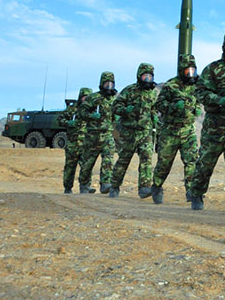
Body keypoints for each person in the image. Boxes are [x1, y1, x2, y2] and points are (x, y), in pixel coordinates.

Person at [188, 34, 225, 211]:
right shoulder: (212, 69)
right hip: (214, 127)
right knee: (205, 164)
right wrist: (218, 99)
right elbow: (200, 92)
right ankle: (197, 194)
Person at [152, 54, 201, 205]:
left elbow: (200, 100)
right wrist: (174, 107)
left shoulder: (197, 85)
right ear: (182, 70)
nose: (191, 74)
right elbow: (159, 104)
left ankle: (192, 193)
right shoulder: (170, 85)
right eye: (188, 71)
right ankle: (157, 187)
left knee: (192, 161)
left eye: (193, 70)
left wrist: (196, 108)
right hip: (170, 131)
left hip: (188, 130)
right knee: (164, 163)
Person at [110, 63, 158, 198]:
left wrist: (154, 116)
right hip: (129, 132)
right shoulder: (129, 90)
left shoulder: (153, 93)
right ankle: (114, 186)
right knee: (124, 160)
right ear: (139, 76)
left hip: (145, 132)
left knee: (147, 158)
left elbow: (154, 108)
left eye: (150, 76)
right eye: (145, 76)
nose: (147, 79)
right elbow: (116, 106)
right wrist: (125, 110)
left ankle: (144, 187)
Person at [78, 71, 118, 193]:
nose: (109, 87)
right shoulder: (93, 98)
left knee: (108, 159)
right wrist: (91, 116)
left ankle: (105, 183)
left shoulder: (113, 99)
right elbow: (81, 112)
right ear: (101, 84)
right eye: (106, 84)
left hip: (107, 134)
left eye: (111, 84)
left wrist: (116, 117)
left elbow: (116, 112)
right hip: (93, 135)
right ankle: (84, 185)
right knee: (88, 161)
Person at [59, 87, 92, 194]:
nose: (86, 99)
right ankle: (67, 188)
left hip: (86, 144)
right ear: (80, 97)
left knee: (86, 166)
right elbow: (59, 119)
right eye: (84, 97)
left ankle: (85, 186)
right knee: (70, 167)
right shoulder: (72, 110)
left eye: (88, 97)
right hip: (72, 144)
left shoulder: (92, 110)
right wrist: (67, 123)